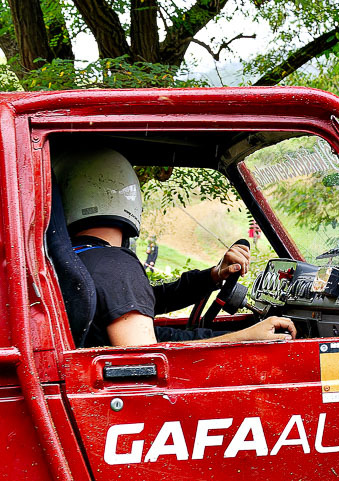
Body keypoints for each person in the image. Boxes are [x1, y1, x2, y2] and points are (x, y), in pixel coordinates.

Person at [57, 146, 295, 347]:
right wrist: (246, 338)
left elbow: (143, 299)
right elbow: (144, 360)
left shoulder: (76, 261)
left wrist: (212, 276)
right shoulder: (115, 266)